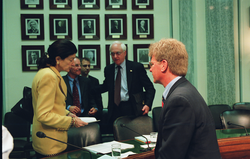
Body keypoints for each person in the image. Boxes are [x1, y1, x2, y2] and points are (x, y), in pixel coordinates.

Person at [148, 39, 221, 159]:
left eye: (152, 64)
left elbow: (171, 155)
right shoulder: (185, 89)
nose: (150, 69)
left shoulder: (179, 100)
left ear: (163, 65)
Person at [32, 39, 88, 158]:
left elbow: (54, 106)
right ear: (58, 59)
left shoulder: (51, 73)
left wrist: (67, 113)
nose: (73, 63)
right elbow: (43, 115)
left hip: (52, 140)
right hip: (50, 143)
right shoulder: (49, 76)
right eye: (70, 59)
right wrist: (72, 121)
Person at [97, 41, 155, 132]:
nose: (115, 56)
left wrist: (147, 104)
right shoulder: (108, 69)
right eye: (112, 54)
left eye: (118, 53)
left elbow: (150, 88)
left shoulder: (136, 67)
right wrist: (88, 87)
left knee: (133, 134)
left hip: (133, 108)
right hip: (115, 109)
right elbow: (106, 86)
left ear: (125, 53)